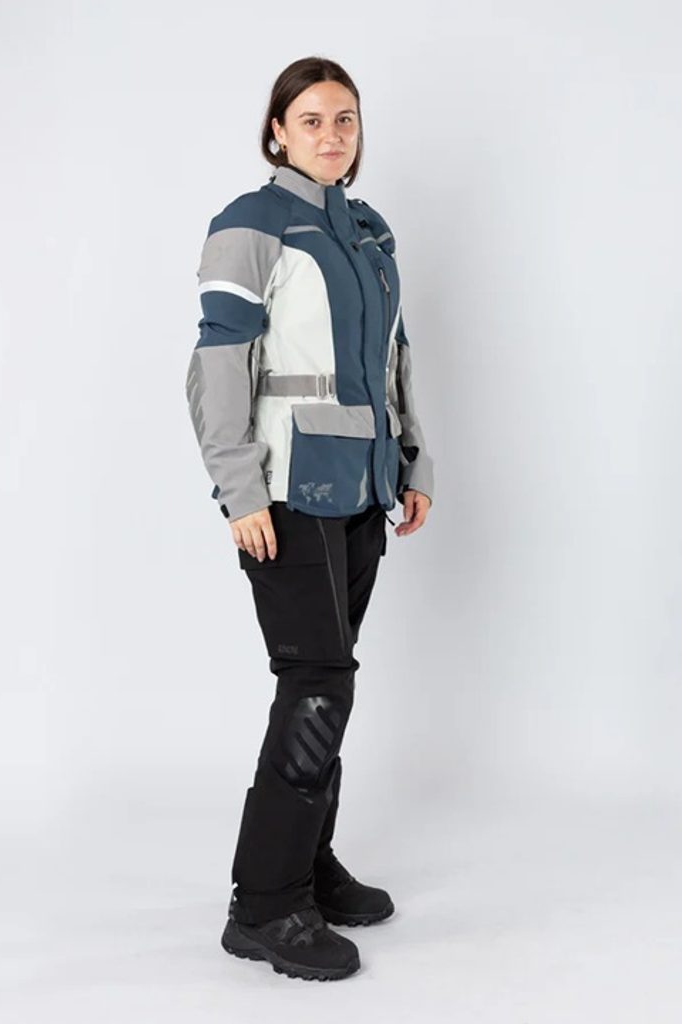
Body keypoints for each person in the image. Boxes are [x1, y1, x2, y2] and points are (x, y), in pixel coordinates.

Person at [184, 56, 434, 982]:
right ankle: (265, 903)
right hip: (286, 492)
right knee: (317, 684)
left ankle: (308, 864)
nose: (333, 135)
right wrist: (240, 490)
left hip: (361, 487)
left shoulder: (368, 232)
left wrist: (413, 459)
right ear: (277, 132)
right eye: (313, 120)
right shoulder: (250, 225)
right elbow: (217, 365)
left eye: (346, 119)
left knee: (335, 680)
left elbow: (394, 357)